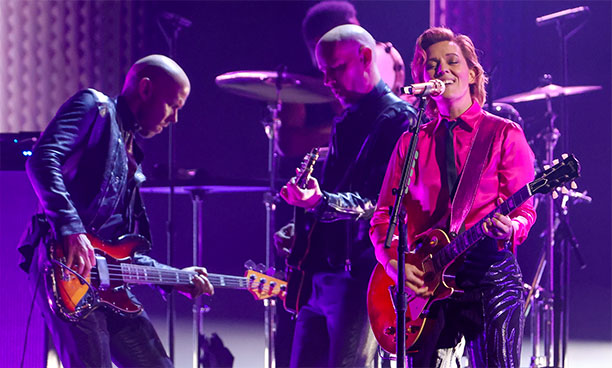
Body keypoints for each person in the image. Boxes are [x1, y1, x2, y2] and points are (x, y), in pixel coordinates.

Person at [18, 54, 214, 367]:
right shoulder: (93, 107)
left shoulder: (132, 153)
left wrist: (173, 277)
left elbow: (122, 245)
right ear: (146, 89)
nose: (174, 119)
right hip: (66, 267)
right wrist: (71, 228)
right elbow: (41, 160)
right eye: (172, 105)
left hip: (108, 281)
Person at [369, 27, 537, 367]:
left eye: (452, 61)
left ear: (472, 73)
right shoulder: (411, 140)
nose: (441, 69)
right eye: (432, 64)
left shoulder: (503, 133)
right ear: (422, 77)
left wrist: (511, 228)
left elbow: (525, 212)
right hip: (427, 281)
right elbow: (383, 216)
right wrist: (393, 265)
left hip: (488, 275)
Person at [277, 24, 417, 367]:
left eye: (336, 69)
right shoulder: (345, 120)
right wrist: (303, 229)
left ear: (366, 57)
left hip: (360, 278)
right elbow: (337, 194)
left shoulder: (400, 121)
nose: (327, 81)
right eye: (324, 72)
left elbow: (378, 205)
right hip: (321, 275)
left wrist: (319, 202)